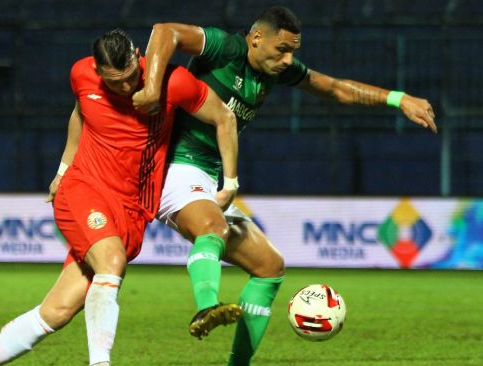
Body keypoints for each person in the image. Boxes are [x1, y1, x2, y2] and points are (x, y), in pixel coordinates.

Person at [132, 5, 438, 365]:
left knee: (270, 267)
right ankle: (206, 308)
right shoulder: (225, 48)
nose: (288, 59)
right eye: (283, 49)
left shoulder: (276, 71)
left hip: (207, 173)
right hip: (175, 167)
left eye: (293, 51)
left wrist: (398, 98)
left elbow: (336, 88)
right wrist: (152, 88)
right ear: (257, 38)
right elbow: (164, 30)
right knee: (212, 226)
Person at [0, 28, 238, 366]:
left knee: (57, 311)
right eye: (115, 83)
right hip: (85, 190)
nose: (127, 88)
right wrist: (62, 171)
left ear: (138, 56)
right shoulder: (81, 74)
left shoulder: (173, 82)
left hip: (132, 209)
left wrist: (229, 181)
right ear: (98, 73)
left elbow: (224, 117)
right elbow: (80, 115)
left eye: (130, 77)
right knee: (111, 260)